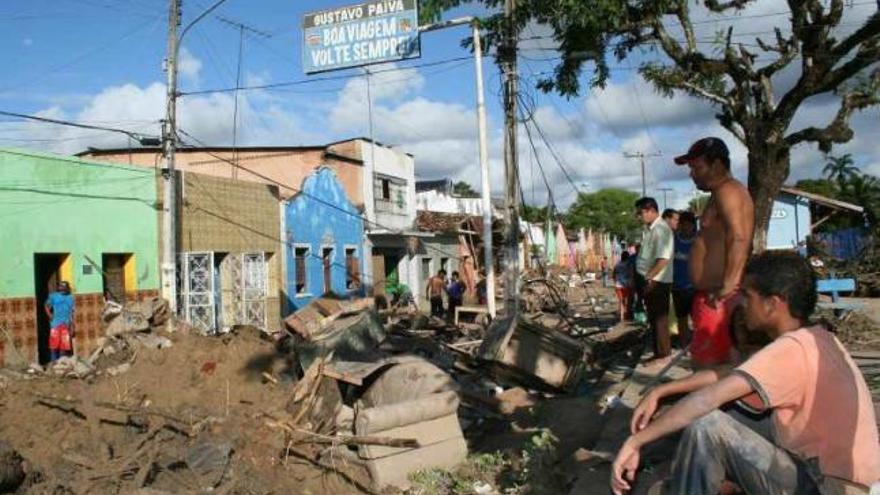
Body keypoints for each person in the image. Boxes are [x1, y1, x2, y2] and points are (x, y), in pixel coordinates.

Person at [611, 251, 880, 495]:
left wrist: (635, 441)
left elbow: (708, 400)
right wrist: (662, 390)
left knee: (708, 425)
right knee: (728, 410)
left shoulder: (793, 348)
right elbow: (732, 373)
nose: (742, 303)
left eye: (748, 296)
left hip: (828, 487)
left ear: (773, 304)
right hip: (826, 475)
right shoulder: (816, 338)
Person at [675, 137, 754, 366]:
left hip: (719, 297)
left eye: (697, 167)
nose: (692, 175)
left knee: (711, 372)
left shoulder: (728, 191)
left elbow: (739, 236)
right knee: (714, 370)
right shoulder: (720, 194)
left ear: (717, 165)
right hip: (713, 295)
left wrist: (728, 285)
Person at [635, 197, 675, 360]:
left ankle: (663, 355)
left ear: (650, 210)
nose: (638, 217)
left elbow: (663, 258)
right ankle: (659, 353)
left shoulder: (660, 230)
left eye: (640, 213)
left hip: (656, 282)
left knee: (659, 320)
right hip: (653, 280)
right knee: (654, 318)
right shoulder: (653, 229)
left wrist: (649, 277)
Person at [672, 211, 697, 347]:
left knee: (697, 318)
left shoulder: (699, 239)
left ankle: (697, 344)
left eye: (689, 224)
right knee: (681, 319)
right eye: (684, 224)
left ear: (693, 225)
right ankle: (684, 344)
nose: (686, 227)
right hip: (678, 287)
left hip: (695, 287)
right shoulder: (674, 240)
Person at [44, 281, 75, 362]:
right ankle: (54, 363)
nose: (63, 288)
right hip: (55, 324)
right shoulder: (54, 296)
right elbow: (46, 306)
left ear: (67, 288)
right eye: (61, 286)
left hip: (66, 324)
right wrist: (50, 315)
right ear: (59, 288)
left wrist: (72, 326)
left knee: (64, 346)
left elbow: (71, 313)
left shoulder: (70, 298)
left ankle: (60, 364)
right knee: (54, 346)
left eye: (64, 287)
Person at [613, 252, 635, 322]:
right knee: (626, 300)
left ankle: (621, 316)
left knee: (621, 301)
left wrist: (616, 281)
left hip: (618, 285)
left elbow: (613, 275)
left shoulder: (617, 264)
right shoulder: (629, 265)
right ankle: (625, 315)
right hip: (627, 285)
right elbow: (631, 274)